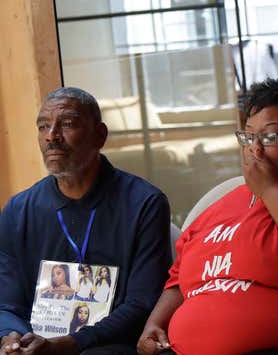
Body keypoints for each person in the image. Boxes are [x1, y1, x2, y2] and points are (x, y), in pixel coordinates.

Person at [137, 78, 278, 355]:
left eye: (270, 137)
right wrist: (154, 324)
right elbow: (178, 279)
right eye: (249, 137)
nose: (255, 149)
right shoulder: (223, 203)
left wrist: (268, 188)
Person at [0, 87, 172, 355]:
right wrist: (13, 339)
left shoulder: (144, 203)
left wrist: (68, 344)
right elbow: (7, 303)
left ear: (99, 135)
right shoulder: (18, 210)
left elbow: (142, 303)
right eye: (43, 126)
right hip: (36, 342)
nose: (51, 136)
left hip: (109, 343)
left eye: (66, 124)